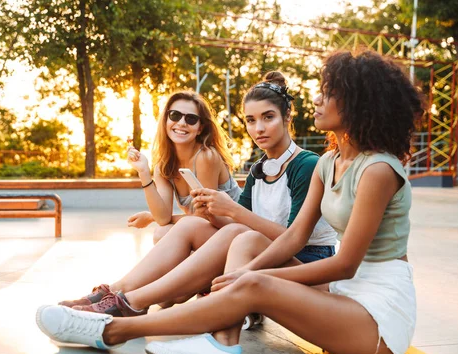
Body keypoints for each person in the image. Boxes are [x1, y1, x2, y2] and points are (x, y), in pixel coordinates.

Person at [37, 50, 423, 354]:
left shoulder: (377, 171)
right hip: (340, 296)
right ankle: (217, 347)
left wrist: (252, 276)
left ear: (358, 104)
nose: (318, 99)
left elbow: (344, 264)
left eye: (330, 92)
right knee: (247, 242)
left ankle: (113, 330)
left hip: (376, 317)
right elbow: (291, 239)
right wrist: (248, 268)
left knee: (253, 278)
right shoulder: (329, 162)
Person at [56, 71, 337, 317]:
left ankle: (130, 301)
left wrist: (231, 211)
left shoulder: (307, 165)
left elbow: (290, 239)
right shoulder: (259, 170)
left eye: (268, 117)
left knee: (196, 229)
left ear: (287, 116)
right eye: (251, 120)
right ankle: (120, 294)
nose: (258, 128)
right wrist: (216, 213)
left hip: (305, 262)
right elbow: (237, 227)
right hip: (262, 251)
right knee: (190, 225)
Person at [126, 91, 241, 244]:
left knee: (164, 234)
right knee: (162, 232)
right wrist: (143, 172)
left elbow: (206, 217)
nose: (181, 123)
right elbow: (163, 218)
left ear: (200, 128)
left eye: (191, 119)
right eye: (175, 115)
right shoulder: (164, 166)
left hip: (236, 227)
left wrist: (150, 217)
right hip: (208, 227)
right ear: (166, 120)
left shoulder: (206, 156)